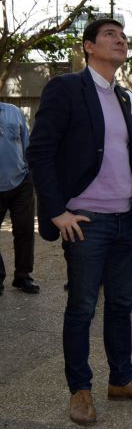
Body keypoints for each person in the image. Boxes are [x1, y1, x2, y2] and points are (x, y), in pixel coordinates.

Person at [27, 18, 132, 426]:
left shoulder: (124, 97)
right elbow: (40, 151)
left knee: (122, 304)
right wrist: (57, 210)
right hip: (86, 221)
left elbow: (128, 157)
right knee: (82, 307)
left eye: (123, 36)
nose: (121, 40)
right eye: (110, 35)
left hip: (125, 218)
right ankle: (81, 391)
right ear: (88, 47)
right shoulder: (67, 88)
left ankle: (122, 379)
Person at [0, 102, 39, 295]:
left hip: (20, 182)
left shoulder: (13, 111)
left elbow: (27, 145)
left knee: (24, 231)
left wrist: (30, 175)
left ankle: (23, 276)